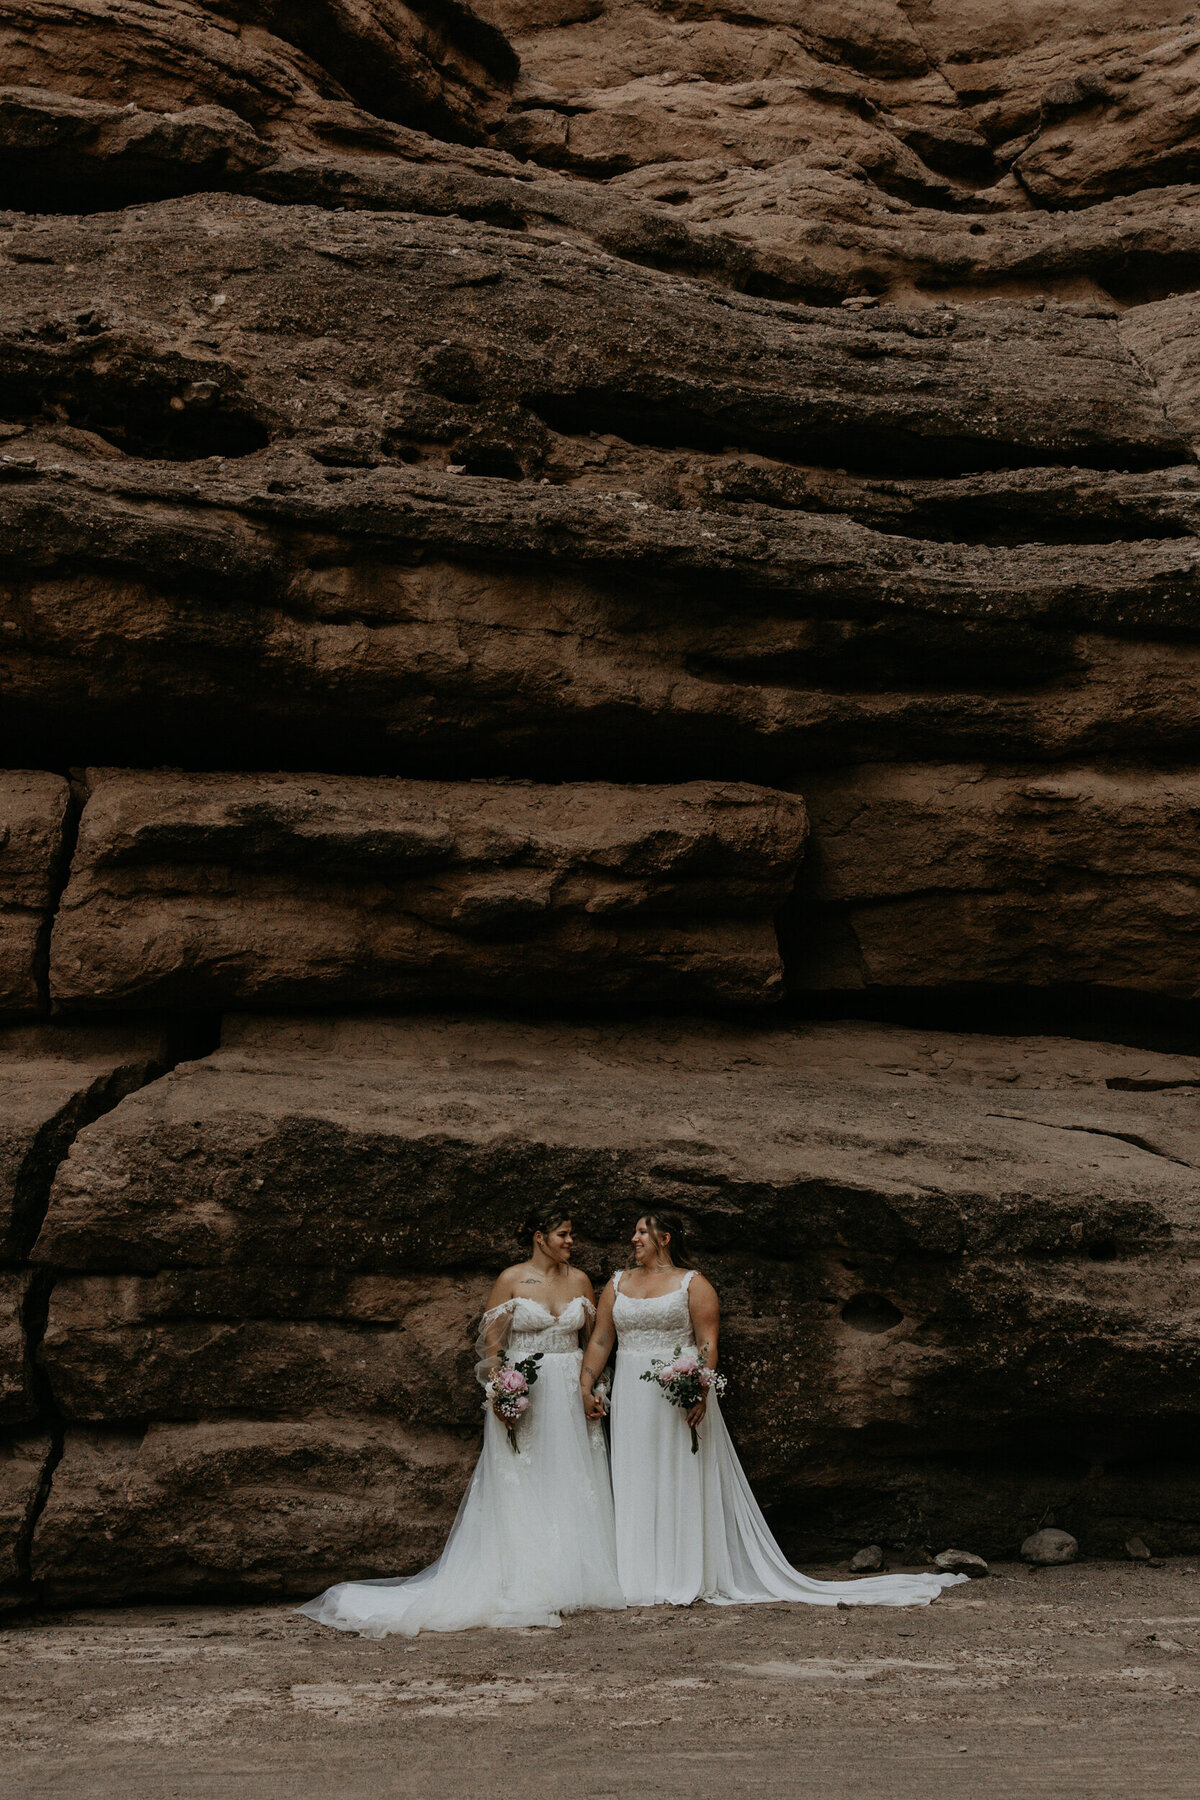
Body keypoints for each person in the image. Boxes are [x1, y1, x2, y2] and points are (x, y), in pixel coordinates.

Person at [581, 1213, 967, 1609]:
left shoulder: (693, 1284)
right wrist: (586, 1384)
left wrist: (699, 1390)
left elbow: (706, 1344)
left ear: (663, 1237)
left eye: (642, 1232)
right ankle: (636, 1573)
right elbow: (600, 1341)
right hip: (632, 1396)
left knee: (679, 1473)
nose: (633, 1238)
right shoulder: (617, 1284)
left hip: (678, 1397)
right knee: (634, 1475)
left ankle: (681, 1571)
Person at [298, 1209, 625, 1636]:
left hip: (568, 1389)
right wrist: (504, 1393)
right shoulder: (511, 1279)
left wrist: (592, 1388)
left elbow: (591, 1341)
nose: (570, 1241)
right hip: (524, 1390)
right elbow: (493, 1344)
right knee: (526, 1479)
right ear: (538, 1237)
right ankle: (528, 1576)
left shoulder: (581, 1281)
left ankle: (577, 1573)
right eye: (563, 1234)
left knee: (572, 1477)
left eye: (571, 1234)